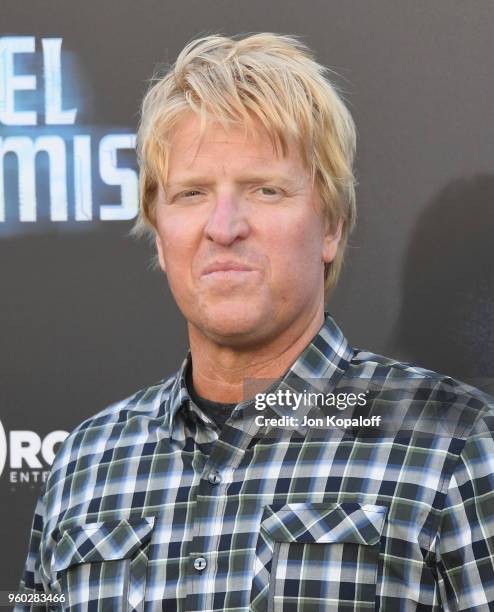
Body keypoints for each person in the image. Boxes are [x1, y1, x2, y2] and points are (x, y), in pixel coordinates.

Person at [15, 33, 494, 611]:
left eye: (265, 190)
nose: (223, 226)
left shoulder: (458, 449)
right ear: (159, 233)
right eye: (192, 193)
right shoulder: (84, 463)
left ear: (332, 226)